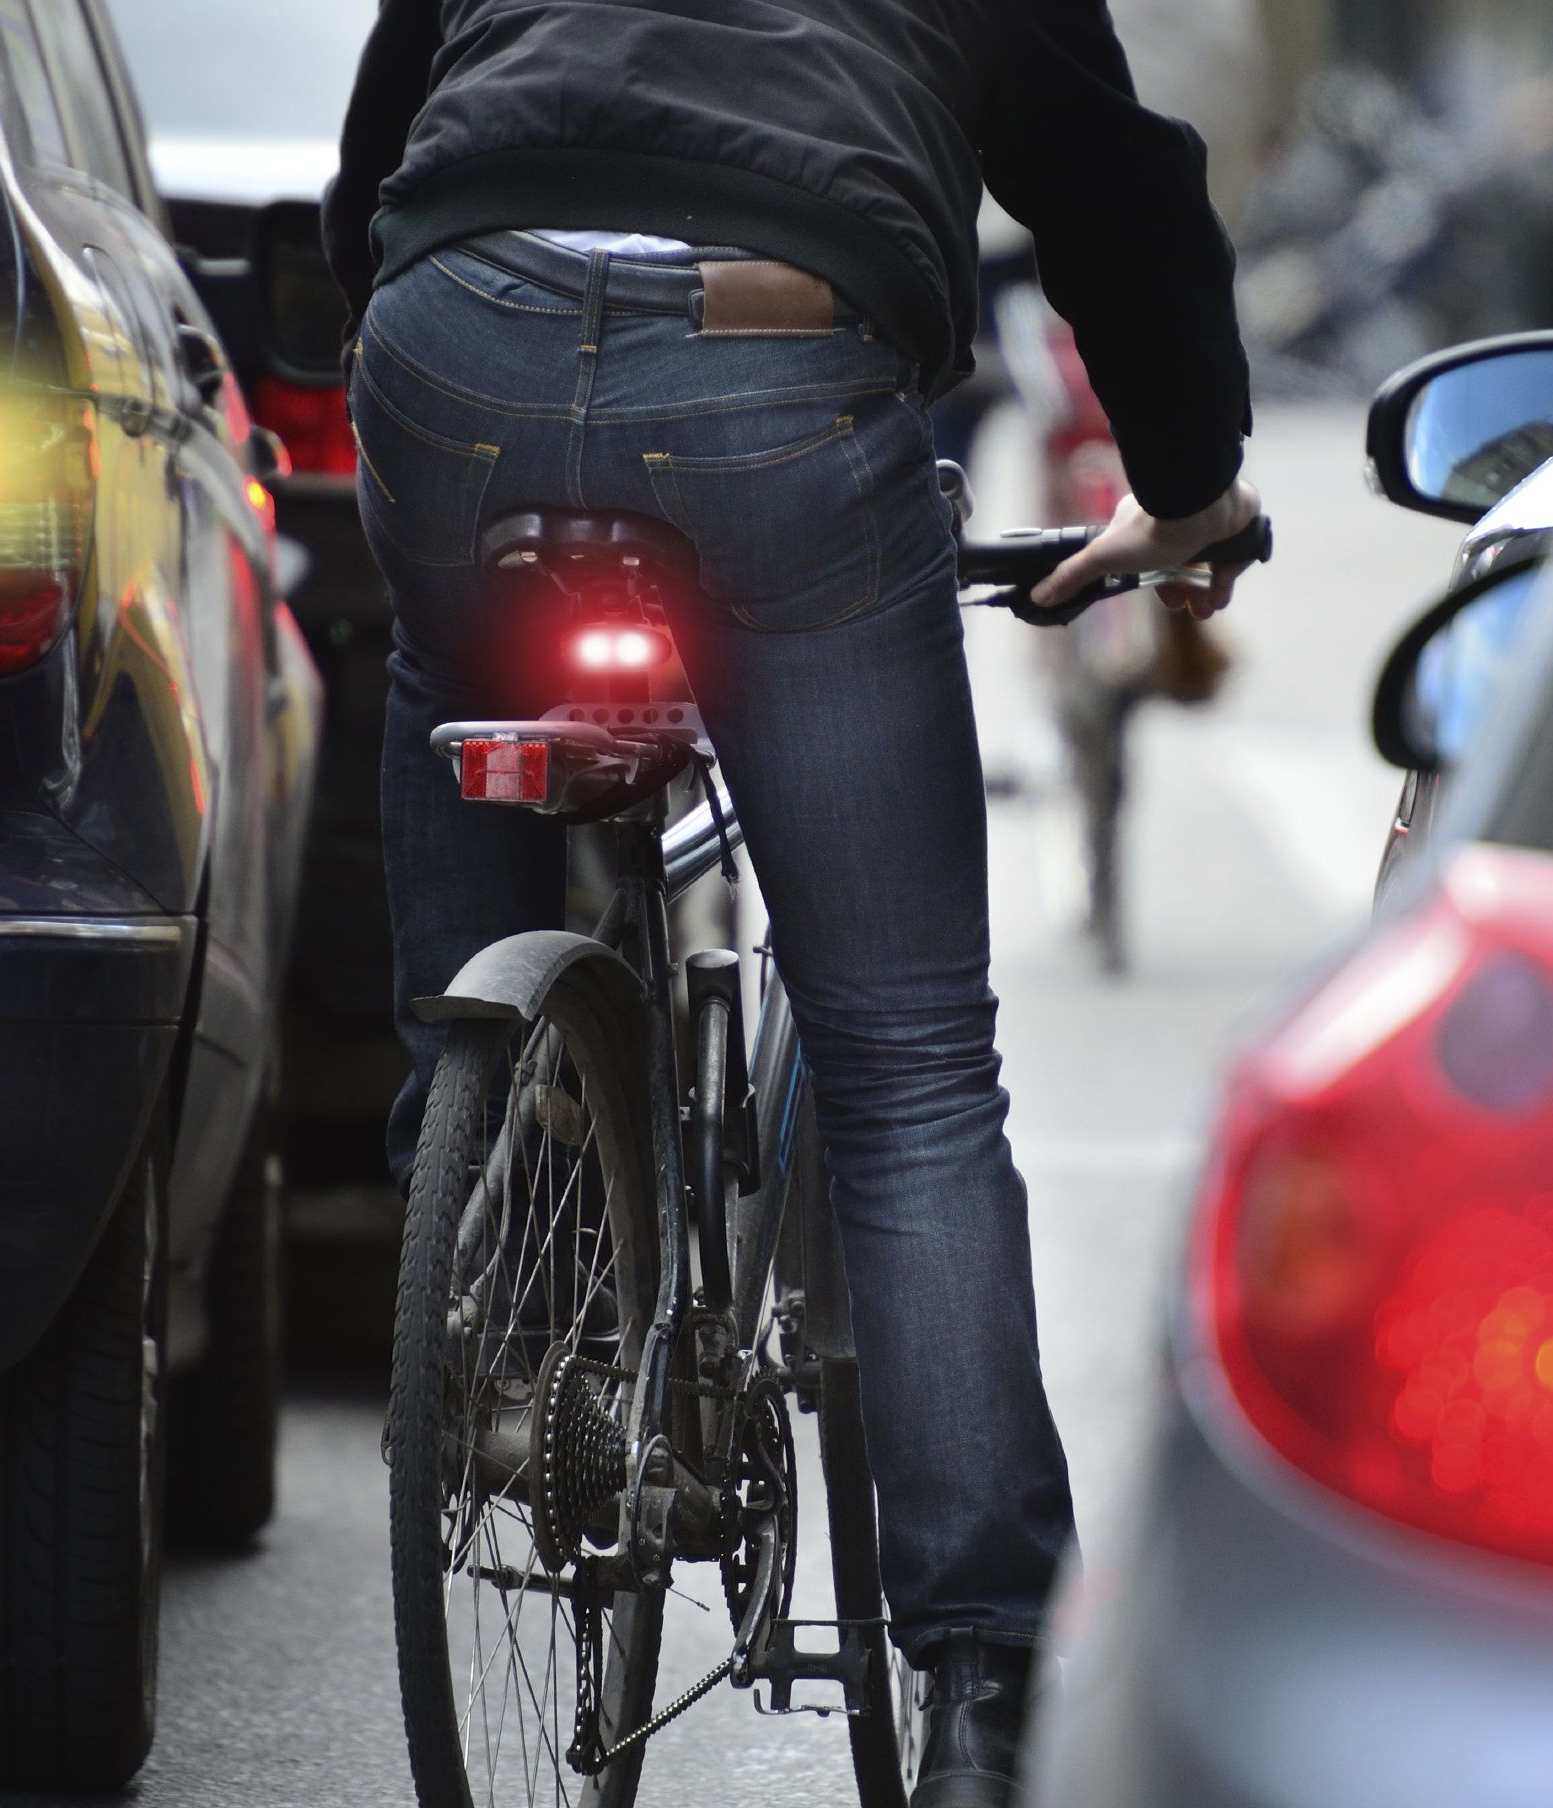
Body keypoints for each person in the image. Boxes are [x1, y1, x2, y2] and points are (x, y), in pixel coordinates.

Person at [324, 2, 1262, 1801]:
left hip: (457, 333)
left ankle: (496, 1231)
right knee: (909, 1072)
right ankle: (983, 1682)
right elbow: (1112, 197)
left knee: (443, 678)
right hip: (779, 356)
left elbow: (376, 162)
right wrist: (1183, 492)